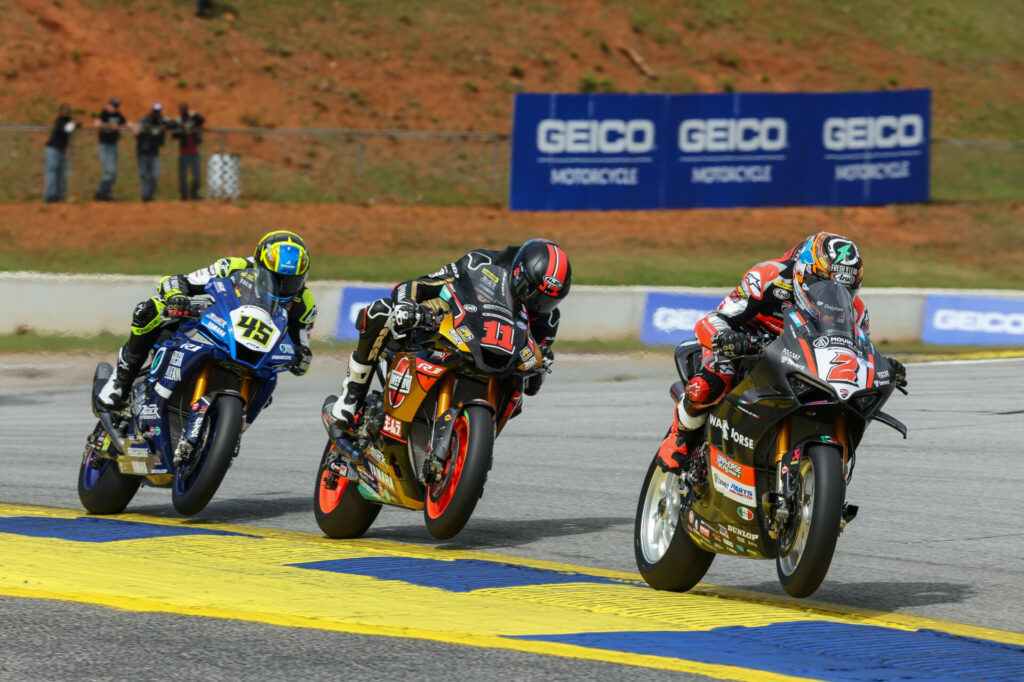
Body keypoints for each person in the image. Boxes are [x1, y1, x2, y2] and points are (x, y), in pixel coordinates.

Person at [655, 231, 909, 473]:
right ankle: (680, 434)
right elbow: (713, 320)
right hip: (747, 346)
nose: (833, 295)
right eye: (823, 284)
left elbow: (856, 353)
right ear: (803, 271)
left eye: (845, 289)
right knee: (713, 379)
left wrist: (883, 366)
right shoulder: (767, 276)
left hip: (801, 363)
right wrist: (726, 338)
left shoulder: (857, 313)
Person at [329, 238, 571, 428]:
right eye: (533, 293)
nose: (537, 304)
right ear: (518, 274)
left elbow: (532, 387)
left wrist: (542, 362)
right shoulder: (481, 262)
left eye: (547, 300)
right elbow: (421, 284)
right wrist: (409, 306)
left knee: (516, 400)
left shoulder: (548, 318)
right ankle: (352, 396)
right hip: (451, 333)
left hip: (497, 368)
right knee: (381, 311)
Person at [97, 230, 318, 410]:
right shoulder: (233, 267)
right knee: (151, 309)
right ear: (260, 266)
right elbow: (176, 281)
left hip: (258, 352)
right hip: (217, 326)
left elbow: (303, 354)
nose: (281, 286)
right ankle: (121, 380)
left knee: (269, 384)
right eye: (275, 278)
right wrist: (177, 298)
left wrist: (301, 357)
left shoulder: (305, 303)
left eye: (291, 281)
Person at [43, 103, 80, 202]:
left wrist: (76, 123)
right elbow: (64, 130)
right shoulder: (59, 120)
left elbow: (78, 125)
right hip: (53, 149)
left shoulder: (68, 120)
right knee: (52, 172)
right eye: (64, 110)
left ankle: (60, 195)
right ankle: (50, 195)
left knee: (62, 173)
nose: (66, 112)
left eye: (67, 111)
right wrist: (73, 124)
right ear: (60, 111)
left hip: (61, 151)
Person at [93, 98, 127, 201]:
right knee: (109, 170)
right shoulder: (104, 113)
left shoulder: (118, 115)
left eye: (116, 106)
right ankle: (99, 191)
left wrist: (132, 127)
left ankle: (106, 193)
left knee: (113, 173)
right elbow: (97, 124)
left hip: (113, 145)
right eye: (113, 106)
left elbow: (124, 122)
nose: (114, 108)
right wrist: (110, 126)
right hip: (104, 145)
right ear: (108, 105)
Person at [172, 102, 205, 200]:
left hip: (194, 152)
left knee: (197, 176)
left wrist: (193, 114)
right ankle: (184, 195)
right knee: (183, 176)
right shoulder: (178, 121)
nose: (183, 111)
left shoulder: (193, 118)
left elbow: (202, 120)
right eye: (182, 110)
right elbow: (174, 134)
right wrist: (179, 129)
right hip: (183, 152)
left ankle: (194, 193)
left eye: (185, 109)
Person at [135, 103, 168, 202]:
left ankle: (150, 194)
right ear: (151, 111)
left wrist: (163, 128)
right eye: (155, 111)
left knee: (155, 175)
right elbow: (136, 132)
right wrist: (144, 129)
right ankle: (145, 196)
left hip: (154, 153)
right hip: (143, 151)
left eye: (158, 112)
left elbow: (172, 124)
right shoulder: (144, 120)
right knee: (143, 174)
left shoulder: (162, 120)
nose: (156, 113)